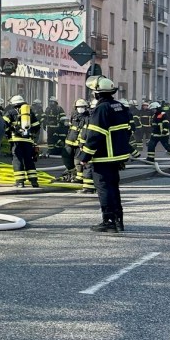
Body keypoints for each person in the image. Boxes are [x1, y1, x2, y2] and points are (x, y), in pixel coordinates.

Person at [79, 75, 133, 232]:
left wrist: (85, 157)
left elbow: (95, 135)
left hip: (103, 156)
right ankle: (118, 220)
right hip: (117, 156)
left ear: (97, 93)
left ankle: (108, 221)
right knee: (113, 187)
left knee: (103, 188)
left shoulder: (101, 109)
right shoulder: (119, 106)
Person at [4, 95, 39, 188]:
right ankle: (34, 181)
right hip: (28, 141)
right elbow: (37, 126)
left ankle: (20, 182)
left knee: (17, 160)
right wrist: (31, 134)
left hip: (16, 141)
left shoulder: (10, 112)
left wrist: (9, 133)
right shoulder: (30, 112)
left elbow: (4, 125)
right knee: (29, 159)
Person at [61, 99, 90, 182]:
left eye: (82, 107)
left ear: (86, 107)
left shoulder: (88, 117)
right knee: (66, 156)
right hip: (69, 142)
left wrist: (83, 143)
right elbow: (71, 128)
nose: (80, 108)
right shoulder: (74, 115)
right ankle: (72, 172)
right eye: (78, 107)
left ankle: (80, 177)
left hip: (80, 143)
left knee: (78, 160)